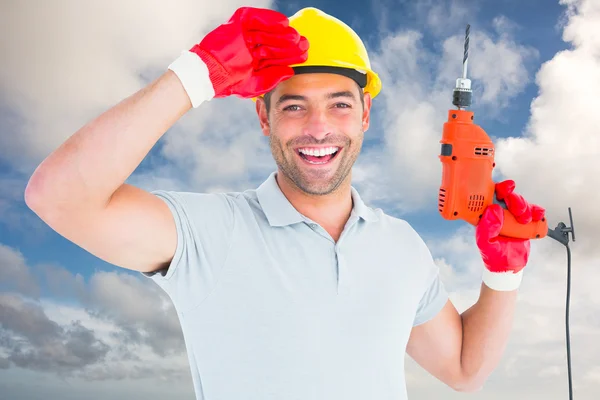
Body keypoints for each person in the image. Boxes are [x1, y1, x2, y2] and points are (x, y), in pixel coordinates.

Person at [24, 6, 545, 400]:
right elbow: (59, 197)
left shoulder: (402, 247)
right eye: (293, 105)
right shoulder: (207, 232)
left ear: (365, 114)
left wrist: (504, 276)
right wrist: (196, 74)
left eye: (339, 104)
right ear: (263, 117)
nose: (318, 127)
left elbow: (463, 368)